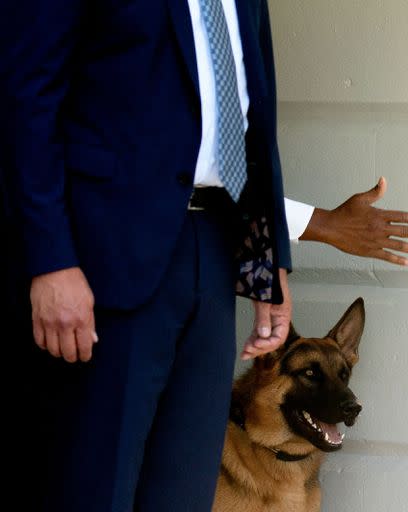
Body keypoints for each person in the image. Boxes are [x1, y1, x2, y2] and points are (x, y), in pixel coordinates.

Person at [2, 1, 291, 511]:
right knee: (95, 488)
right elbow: (25, 102)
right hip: (101, 258)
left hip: (215, 244)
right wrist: (49, 260)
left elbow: (256, 114)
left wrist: (267, 265)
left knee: (183, 490)